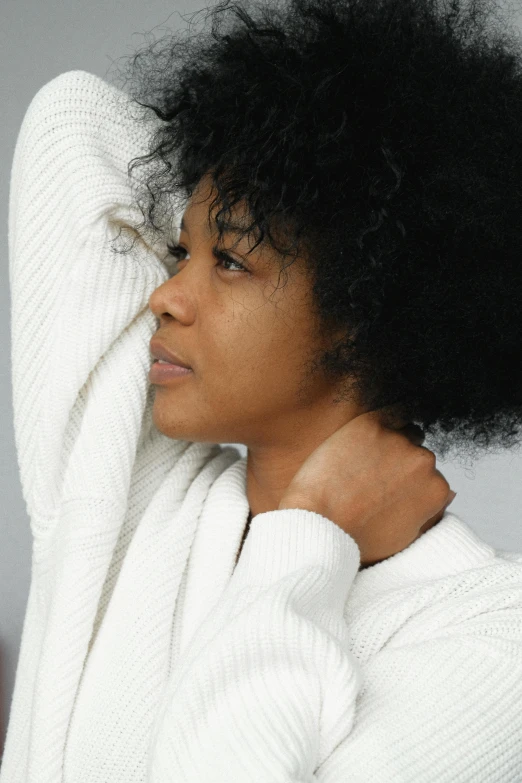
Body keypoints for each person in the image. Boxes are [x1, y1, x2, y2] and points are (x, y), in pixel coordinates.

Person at [3, 0, 522, 780]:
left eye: (232, 262)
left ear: (364, 310)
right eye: (182, 250)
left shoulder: (487, 634)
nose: (164, 295)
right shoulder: (127, 494)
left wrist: (309, 533)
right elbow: (72, 123)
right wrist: (279, 154)